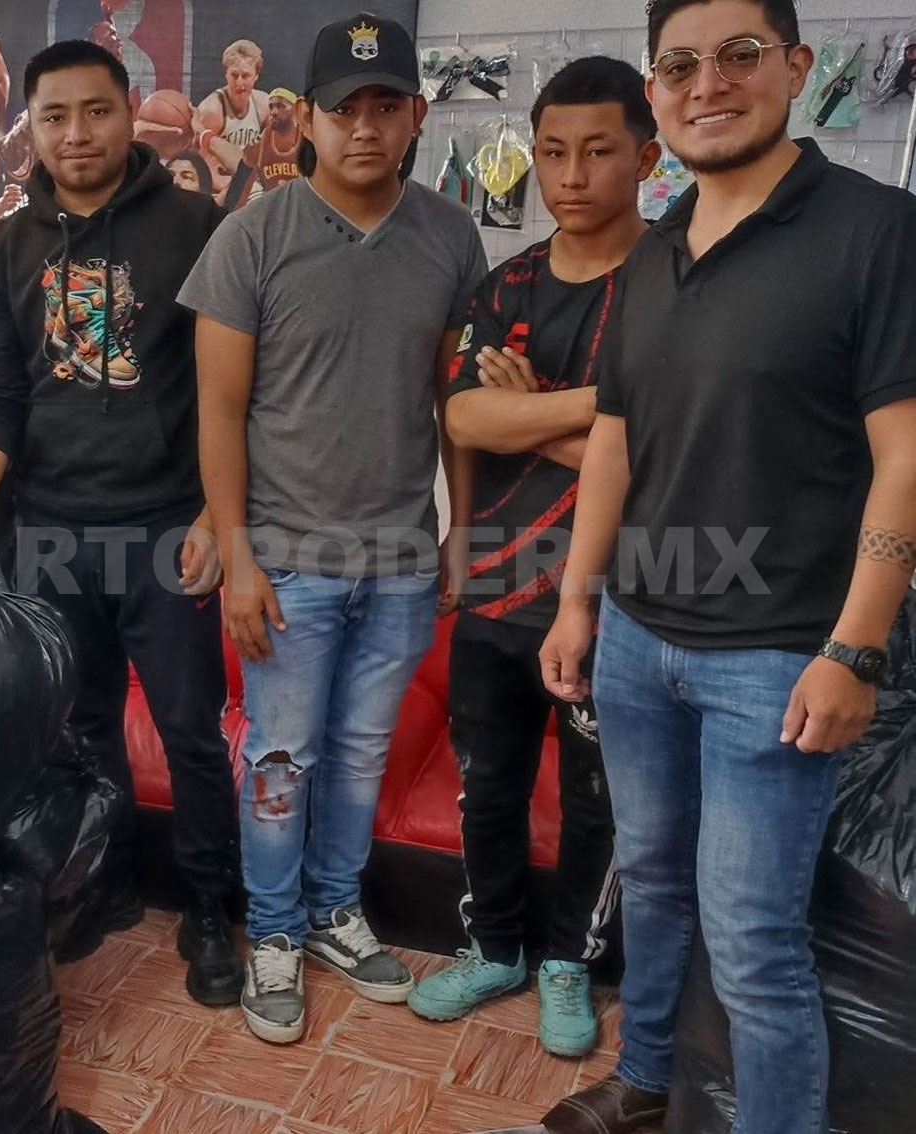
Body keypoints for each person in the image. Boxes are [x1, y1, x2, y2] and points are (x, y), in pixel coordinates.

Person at [537, 2, 916, 1132]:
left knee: (753, 941)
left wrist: (854, 648)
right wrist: (575, 604)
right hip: (636, 640)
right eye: (679, 65)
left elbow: (905, 456)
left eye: (738, 55)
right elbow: (615, 440)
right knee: (653, 883)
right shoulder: (656, 249)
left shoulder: (875, 231)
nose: (707, 84)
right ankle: (644, 1081)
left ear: (795, 67)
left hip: (778, 657)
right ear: (655, 92)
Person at [179, 11, 488, 1044]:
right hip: (286, 564)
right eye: (342, 108)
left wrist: (459, 528)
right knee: (280, 758)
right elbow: (218, 411)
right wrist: (237, 558)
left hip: (399, 561)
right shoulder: (251, 237)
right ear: (303, 118)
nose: (364, 127)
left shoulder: (449, 235)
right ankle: (272, 930)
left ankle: (331, 913)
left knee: (358, 755)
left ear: (416, 116)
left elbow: (454, 401)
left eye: (384, 106)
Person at [0, 39, 244, 1008]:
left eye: (94, 111)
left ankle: (211, 906)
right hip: (52, 530)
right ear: (31, 128)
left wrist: (214, 515)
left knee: (190, 730)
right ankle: (103, 880)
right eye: (54, 116)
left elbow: (235, 394)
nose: (75, 133)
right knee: (80, 725)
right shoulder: (4, 250)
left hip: (166, 527)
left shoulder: (196, 227)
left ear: (128, 112)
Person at [407, 57, 661, 1060]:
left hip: (612, 596)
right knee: (489, 788)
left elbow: (661, 452)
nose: (571, 174)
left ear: (646, 157)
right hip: (494, 586)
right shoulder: (506, 282)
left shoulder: (671, 286)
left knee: (600, 801)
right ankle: (496, 949)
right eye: (552, 152)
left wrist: (539, 413)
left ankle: (568, 963)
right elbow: (466, 417)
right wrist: (600, 412)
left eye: (598, 151)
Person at [195, 39, 270, 198]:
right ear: (226, 74)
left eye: (246, 76)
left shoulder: (264, 105)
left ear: (256, 76)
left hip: (248, 183)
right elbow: (196, 163)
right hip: (216, 187)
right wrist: (228, 186)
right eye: (234, 75)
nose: (239, 82)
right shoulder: (212, 109)